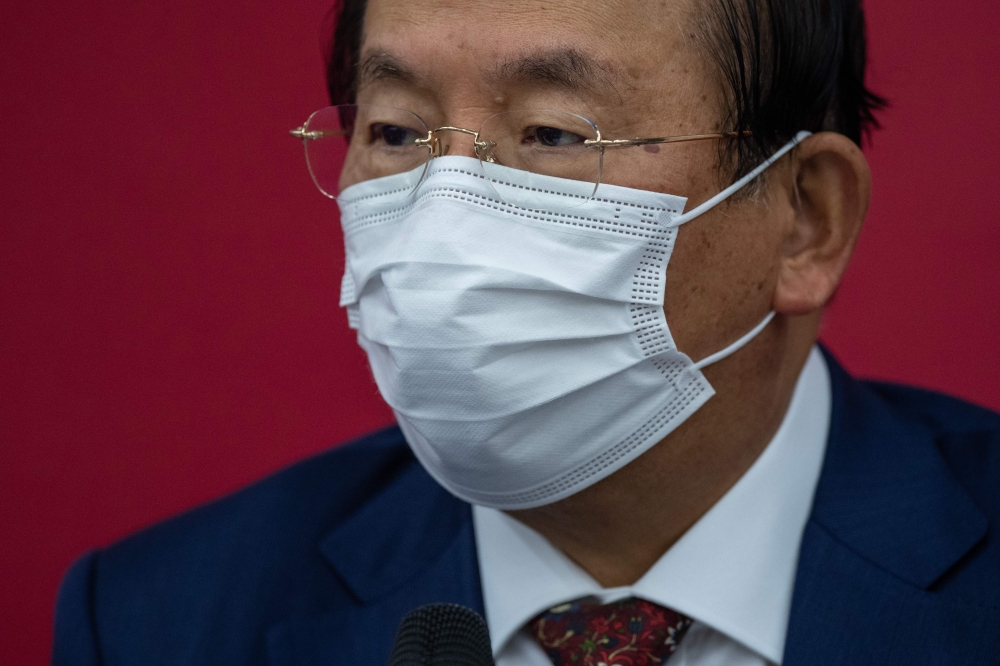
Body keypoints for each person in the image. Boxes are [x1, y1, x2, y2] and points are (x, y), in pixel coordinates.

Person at [53, 0, 1000, 663]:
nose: (445, 207)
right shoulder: (156, 621)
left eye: (555, 134)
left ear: (806, 218)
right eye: (396, 132)